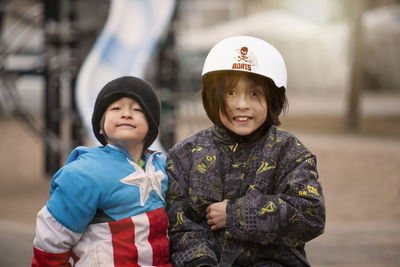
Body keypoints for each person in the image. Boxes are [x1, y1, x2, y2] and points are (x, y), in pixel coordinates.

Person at [166, 36, 325, 267]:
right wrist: (200, 262)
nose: (242, 104)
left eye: (254, 94)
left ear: (273, 99)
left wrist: (236, 215)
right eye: (231, 92)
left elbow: (311, 215)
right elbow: (179, 225)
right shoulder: (184, 156)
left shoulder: (289, 152)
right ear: (213, 97)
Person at [32, 76, 172, 267]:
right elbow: (51, 241)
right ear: (100, 126)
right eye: (116, 108)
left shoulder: (164, 167)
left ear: (151, 127)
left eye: (137, 109)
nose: (126, 114)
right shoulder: (84, 173)